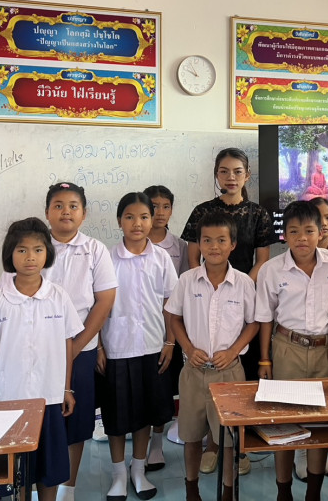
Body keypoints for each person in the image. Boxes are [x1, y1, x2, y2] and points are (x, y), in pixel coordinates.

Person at [0, 217, 83, 501]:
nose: (30, 257)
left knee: (50, 467)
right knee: (18, 469)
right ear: (10, 254)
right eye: (22, 250)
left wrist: (67, 388)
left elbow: (67, 344)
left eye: (38, 249)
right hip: (11, 399)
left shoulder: (59, 297)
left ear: (47, 254)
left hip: (49, 397)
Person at [181, 147, 274, 475]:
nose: (230, 177)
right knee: (207, 383)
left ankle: (239, 445)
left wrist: (238, 286)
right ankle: (212, 445)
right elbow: (193, 258)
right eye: (224, 171)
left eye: (237, 171)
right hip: (207, 296)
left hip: (243, 300)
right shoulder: (202, 211)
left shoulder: (259, 214)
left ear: (247, 175)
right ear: (216, 175)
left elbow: (262, 261)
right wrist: (216, 286)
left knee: (240, 379)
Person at [166, 211, 258, 501]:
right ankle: (191, 489)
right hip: (193, 372)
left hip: (230, 373)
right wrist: (188, 348)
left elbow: (253, 323)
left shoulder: (244, 283)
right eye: (207, 240)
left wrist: (232, 351)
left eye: (221, 240)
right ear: (199, 244)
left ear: (233, 244)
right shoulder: (187, 280)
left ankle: (228, 492)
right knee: (191, 436)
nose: (214, 246)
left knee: (229, 441)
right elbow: (174, 317)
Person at [256, 200, 328, 501]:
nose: (302, 238)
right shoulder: (272, 269)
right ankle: (284, 492)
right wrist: (265, 359)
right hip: (287, 349)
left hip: (325, 350)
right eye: (294, 231)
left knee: (321, 424)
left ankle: (313, 493)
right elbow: (265, 317)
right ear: (285, 235)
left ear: (321, 232)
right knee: (285, 423)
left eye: (309, 231)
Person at [40, 182, 118, 501]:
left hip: (80, 348)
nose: (66, 212)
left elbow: (104, 300)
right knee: (41, 419)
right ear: (47, 212)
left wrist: (77, 345)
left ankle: (67, 489)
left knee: (76, 422)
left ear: (84, 214)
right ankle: (40, 484)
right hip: (39, 351)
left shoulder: (95, 250)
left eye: (73, 206)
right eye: (58, 205)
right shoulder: (33, 247)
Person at [99, 192, 178, 501]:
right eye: (130, 217)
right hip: (117, 348)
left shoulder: (161, 258)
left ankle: (138, 470)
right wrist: (99, 347)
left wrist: (170, 341)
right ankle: (118, 474)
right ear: (119, 220)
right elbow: (97, 307)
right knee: (117, 417)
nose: (137, 223)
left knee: (146, 414)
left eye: (144, 217)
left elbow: (171, 304)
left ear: (152, 220)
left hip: (153, 347)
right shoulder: (106, 258)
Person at [143, 184, 190, 462]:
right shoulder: (132, 243)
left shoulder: (180, 247)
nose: (159, 212)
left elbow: (180, 293)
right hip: (140, 328)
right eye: (153, 206)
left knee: (164, 387)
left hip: (169, 327)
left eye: (166, 206)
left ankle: (157, 444)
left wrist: (172, 337)